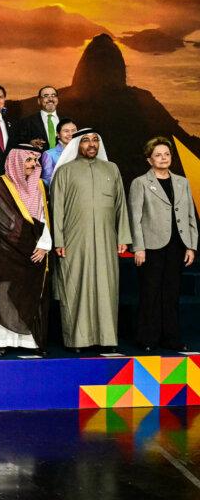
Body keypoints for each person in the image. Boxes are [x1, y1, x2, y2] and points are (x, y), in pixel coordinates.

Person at [0, 145, 52, 357]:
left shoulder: (40, 186)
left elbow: (46, 218)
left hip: (33, 250)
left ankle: (27, 342)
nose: (33, 164)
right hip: (2, 252)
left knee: (27, 294)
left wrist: (44, 245)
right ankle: (0, 341)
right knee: (2, 294)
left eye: (35, 160)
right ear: (16, 161)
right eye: (28, 160)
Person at [51, 129, 131, 352]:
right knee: (77, 286)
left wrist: (123, 236)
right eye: (86, 140)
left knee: (107, 287)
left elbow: (121, 205)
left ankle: (107, 338)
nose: (91, 144)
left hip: (107, 239)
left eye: (95, 139)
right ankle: (77, 340)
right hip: (74, 239)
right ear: (77, 144)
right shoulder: (65, 171)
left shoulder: (111, 168)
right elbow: (56, 209)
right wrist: (59, 240)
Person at [128, 137, 197, 351]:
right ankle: (147, 339)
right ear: (149, 159)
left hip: (177, 245)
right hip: (151, 246)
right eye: (158, 155)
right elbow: (135, 218)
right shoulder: (140, 182)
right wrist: (138, 247)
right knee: (151, 292)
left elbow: (189, 215)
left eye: (166, 154)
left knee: (172, 292)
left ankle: (171, 338)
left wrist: (191, 245)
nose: (163, 158)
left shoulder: (182, 182)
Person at [16, 86, 65, 151]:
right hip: (38, 160)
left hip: (66, 160)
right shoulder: (27, 122)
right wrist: (30, 143)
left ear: (57, 99)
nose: (50, 99)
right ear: (39, 101)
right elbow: (18, 143)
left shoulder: (68, 119)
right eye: (46, 96)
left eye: (53, 95)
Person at [40, 118, 77, 187]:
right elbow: (47, 180)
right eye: (66, 131)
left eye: (73, 131)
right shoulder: (49, 154)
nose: (70, 134)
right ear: (58, 134)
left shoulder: (83, 151)